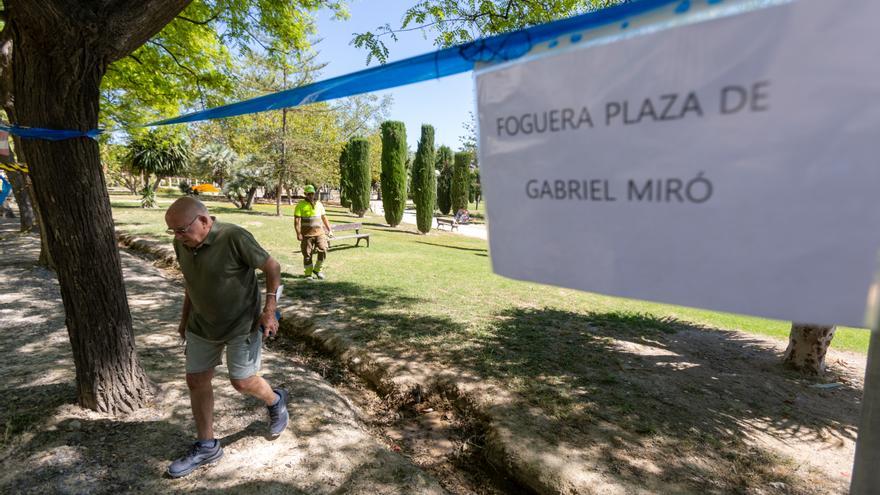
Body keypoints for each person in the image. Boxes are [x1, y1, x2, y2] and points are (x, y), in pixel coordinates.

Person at [164, 197, 287, 478]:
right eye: (173, 231)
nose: (177, 236)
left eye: (181, 229)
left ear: (204, 221)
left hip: (241, 324)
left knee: (242, 382)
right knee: (196, 379)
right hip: (201, 326)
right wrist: (184, 320)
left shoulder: (233, 236)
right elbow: (190, 284)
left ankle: (275, 401)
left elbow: (272, 266)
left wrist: (270, 310)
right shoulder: (181, 243)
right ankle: (207, 446)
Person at [294, 184, 332, 280]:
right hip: (306, 235)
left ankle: (317, 270)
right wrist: (298, 233)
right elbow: (297, 221)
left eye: (312, 193)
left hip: (320, 233)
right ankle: (308, 274)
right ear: (305, 194)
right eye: (309, 193)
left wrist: (329, 229)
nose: (311, 195)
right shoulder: (300, 205)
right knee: (307, 254)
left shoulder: (319, 204)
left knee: (323, 249)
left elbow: (324, 217)